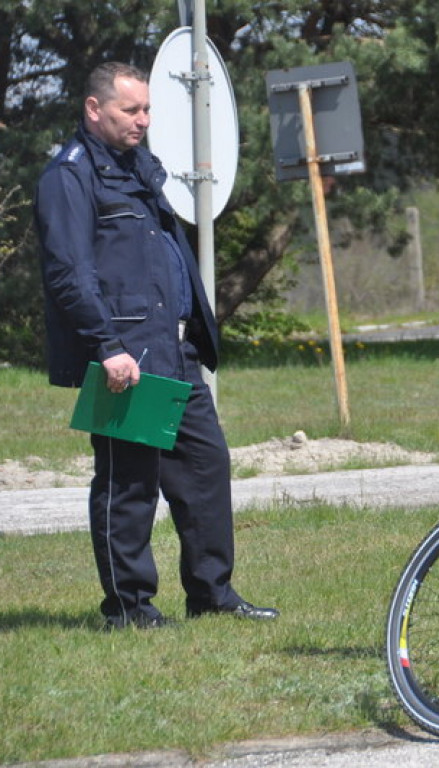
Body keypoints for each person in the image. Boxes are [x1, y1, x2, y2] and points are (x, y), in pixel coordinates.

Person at [35, 62, 278, 630]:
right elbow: (70, 274)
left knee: (205, 467)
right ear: (95, 110)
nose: (143, 120)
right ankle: (129, 608)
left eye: (147, 109)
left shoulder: (137, 169)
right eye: (131, 110)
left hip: (175, 349)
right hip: (127, 355)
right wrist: (107, 345)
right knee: (130, 484)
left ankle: (212, 594)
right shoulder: (70, 176)